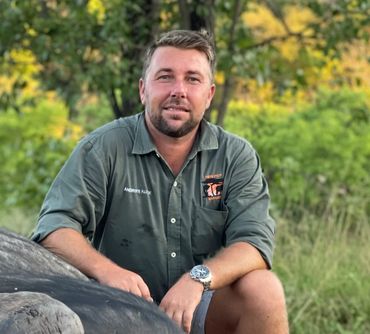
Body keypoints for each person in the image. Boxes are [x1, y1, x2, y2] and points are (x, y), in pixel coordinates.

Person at [31, 30, 289, 334]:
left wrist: (197, 279)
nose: (178, 90)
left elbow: (254, 244)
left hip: (202, 305)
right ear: (143, 89)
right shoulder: (103, 148)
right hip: (117, 305)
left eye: (192, 79)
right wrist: (108, 272)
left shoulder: (235, 155)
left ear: (209, 95)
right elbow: (54, 228)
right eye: (165, 77)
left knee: (264, 288)